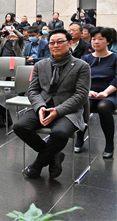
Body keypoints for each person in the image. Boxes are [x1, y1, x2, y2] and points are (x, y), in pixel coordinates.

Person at [13, 29, 90, 179]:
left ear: (70, 43)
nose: (55, 45)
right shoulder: (41, 65)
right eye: (52, 42)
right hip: (44, 106)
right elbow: (33, 91)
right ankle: (55, 155)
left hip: (68, 110)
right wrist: (41, 107)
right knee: (19, 126)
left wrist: (58, 110)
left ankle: (37, 164)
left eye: (60, 42)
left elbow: (81, 95)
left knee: (60, 133)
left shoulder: (81, 66)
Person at [75, 27, 116, 158]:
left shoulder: (115, 58)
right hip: (89, 92)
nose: (96, 42)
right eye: (93, 39)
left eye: (100, 39)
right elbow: (80, 78)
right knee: (83, 105)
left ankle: (109, 143)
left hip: (111, 93)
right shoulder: (85, 58)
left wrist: (105, 92)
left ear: (108, 41)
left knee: (103, 107)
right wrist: (88, 91)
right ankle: (80, 137)